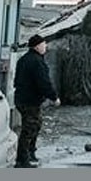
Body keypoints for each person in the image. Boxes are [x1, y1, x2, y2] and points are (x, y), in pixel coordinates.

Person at [13, 34, 60, 168]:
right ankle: (22, 160)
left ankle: (30, 153)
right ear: (37, 46)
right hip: (29, 101)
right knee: (29, 129)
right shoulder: (36, 62)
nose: (46, 47)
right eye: (44, 44)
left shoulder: (24, 59)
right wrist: (54, 97)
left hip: (22, 98)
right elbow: (43, 82)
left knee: (35, 125)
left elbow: (17, 80)